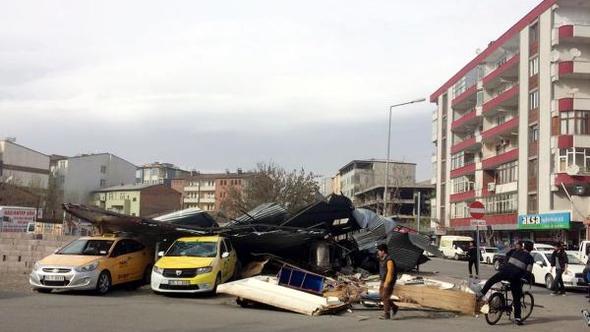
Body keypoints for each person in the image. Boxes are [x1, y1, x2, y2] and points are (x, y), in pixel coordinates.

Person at [476, 240, 534, 326]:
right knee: (517, 298)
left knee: (491, 280)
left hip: (504, 272)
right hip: (515, 277)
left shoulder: (515, 252)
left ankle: (481, 294)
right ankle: (517, 318)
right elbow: (528, 272)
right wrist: (525, 279)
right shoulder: (530, 258)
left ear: (524, 247)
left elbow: (507, 258)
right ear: (531, 249)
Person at [377, 243, 398, 320]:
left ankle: (387, 314)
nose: (378, 252)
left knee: (385, 296)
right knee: (381, 295)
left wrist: (387, 282)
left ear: (383, 251)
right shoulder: (382, 258)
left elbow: (390, 272)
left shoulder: (389, 260)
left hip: (389, 281)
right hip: (383, 280)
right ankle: (394, 307)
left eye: (379, 251)